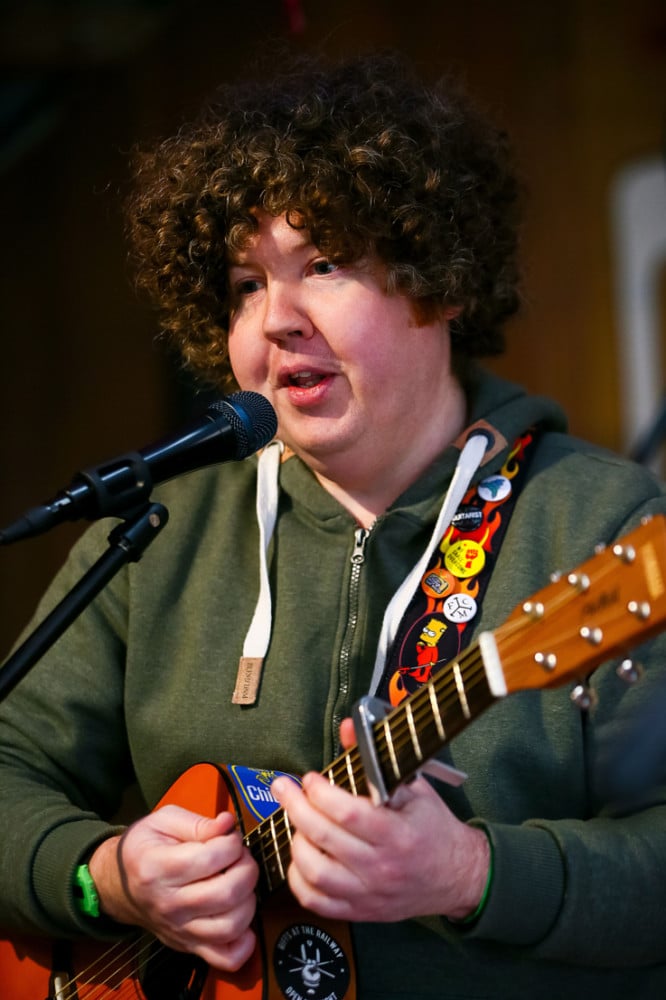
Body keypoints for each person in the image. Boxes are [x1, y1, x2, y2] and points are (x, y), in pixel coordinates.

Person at [1, 49, 666, 1000]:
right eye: (245, 284)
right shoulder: (160, 533)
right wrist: (102, 877)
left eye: (323, 265)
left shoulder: (606, 525)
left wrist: (472, 875)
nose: (278, 319)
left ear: (439, 281)